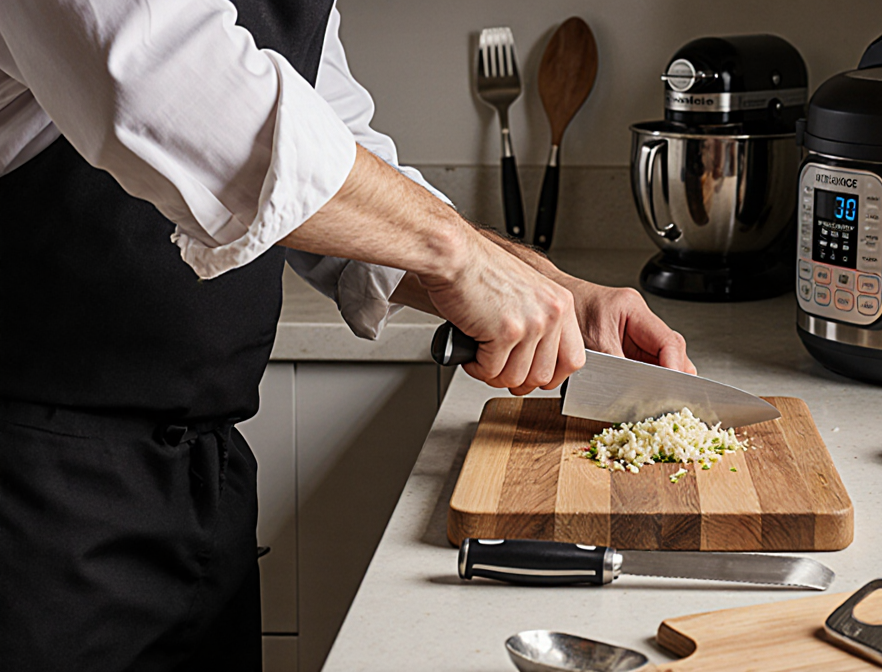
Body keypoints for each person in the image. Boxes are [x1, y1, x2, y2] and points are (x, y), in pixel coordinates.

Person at [0, 2, 694, 670]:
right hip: (32, 490)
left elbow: (331, 151)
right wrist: (459, 257)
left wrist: (543, 284)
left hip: (198, 487)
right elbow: (165, 88)